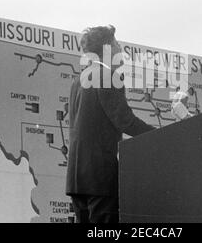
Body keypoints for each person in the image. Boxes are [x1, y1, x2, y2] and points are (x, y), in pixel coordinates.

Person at [66, 25, 155, 223]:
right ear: (107, 48)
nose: (120, 47)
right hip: (100, 178)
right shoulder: (108, 77)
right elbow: (125, 121)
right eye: (116, 43)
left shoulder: (78, 80)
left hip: (76, 179)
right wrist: (157, 135)